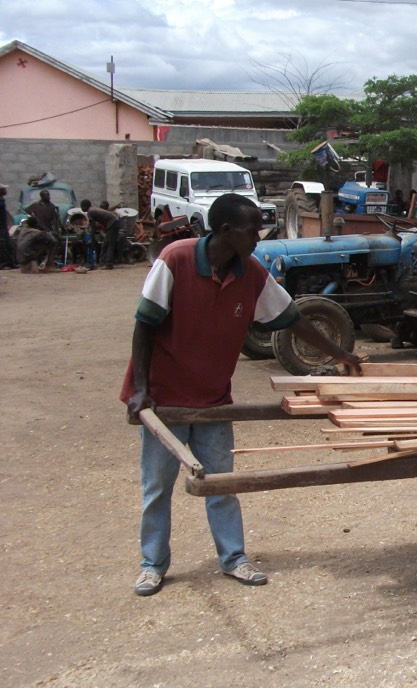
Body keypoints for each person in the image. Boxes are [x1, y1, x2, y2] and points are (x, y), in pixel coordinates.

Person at [122, 193, 363, 597]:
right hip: (165, 400)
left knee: (222, 483)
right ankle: (152, 564)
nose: (258, 237)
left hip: (213, 397)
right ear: (225, 230)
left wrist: (340, 354)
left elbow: (293, 319)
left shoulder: (250, 273)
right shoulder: (175, 260)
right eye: (252, 230)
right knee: (157, 487)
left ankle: (233, 558)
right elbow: (145, 324)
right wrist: (142, 390)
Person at [25, 189, 63, 269]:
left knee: (54, 242)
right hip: (37, 229)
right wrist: (33, 216)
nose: (49, 197)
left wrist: (58, 230)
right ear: (42, 196)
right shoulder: (36, 205)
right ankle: (35, 260)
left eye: (49, 195)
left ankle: (49, 262)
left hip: (47, 229)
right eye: (47, 195)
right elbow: (27, 210)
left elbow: (56, 219)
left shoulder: (51, 206)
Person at [79, 199, 122, 269]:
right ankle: (103, 263)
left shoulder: (90, 212)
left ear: (85, 206)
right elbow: (93, 225)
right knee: (106, 243)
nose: (81, 208)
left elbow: (93, 227)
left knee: (109, 244)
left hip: (113, 223)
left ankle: (109, 264)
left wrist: (91, 239)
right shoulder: (93, 209)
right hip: (113, 223)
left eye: (82, 207)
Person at [0, 185, 16, 269]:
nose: (6, 191)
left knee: (7, 244)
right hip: (1, 226)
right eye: (4, 189)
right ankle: (3, 264)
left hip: (3, 225)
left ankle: (10, 263)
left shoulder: (2, 199)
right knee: (2, 245)